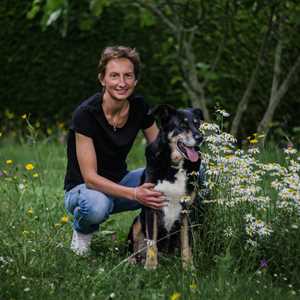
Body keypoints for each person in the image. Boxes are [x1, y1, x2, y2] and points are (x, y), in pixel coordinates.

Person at [64, 46, 166, 256]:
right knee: (96, 205)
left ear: (135, 80)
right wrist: (136, 193)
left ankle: (165, 239)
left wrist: (178, 168)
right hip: (83, 189)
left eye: (128, 76)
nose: (122, 83)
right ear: (102, 79)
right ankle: (82, 230)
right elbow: (91, 178)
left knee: (180, 176)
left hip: (120, 182)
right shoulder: (85, 114)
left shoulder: (139, 106)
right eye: (114, 76)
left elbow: (160, 150)